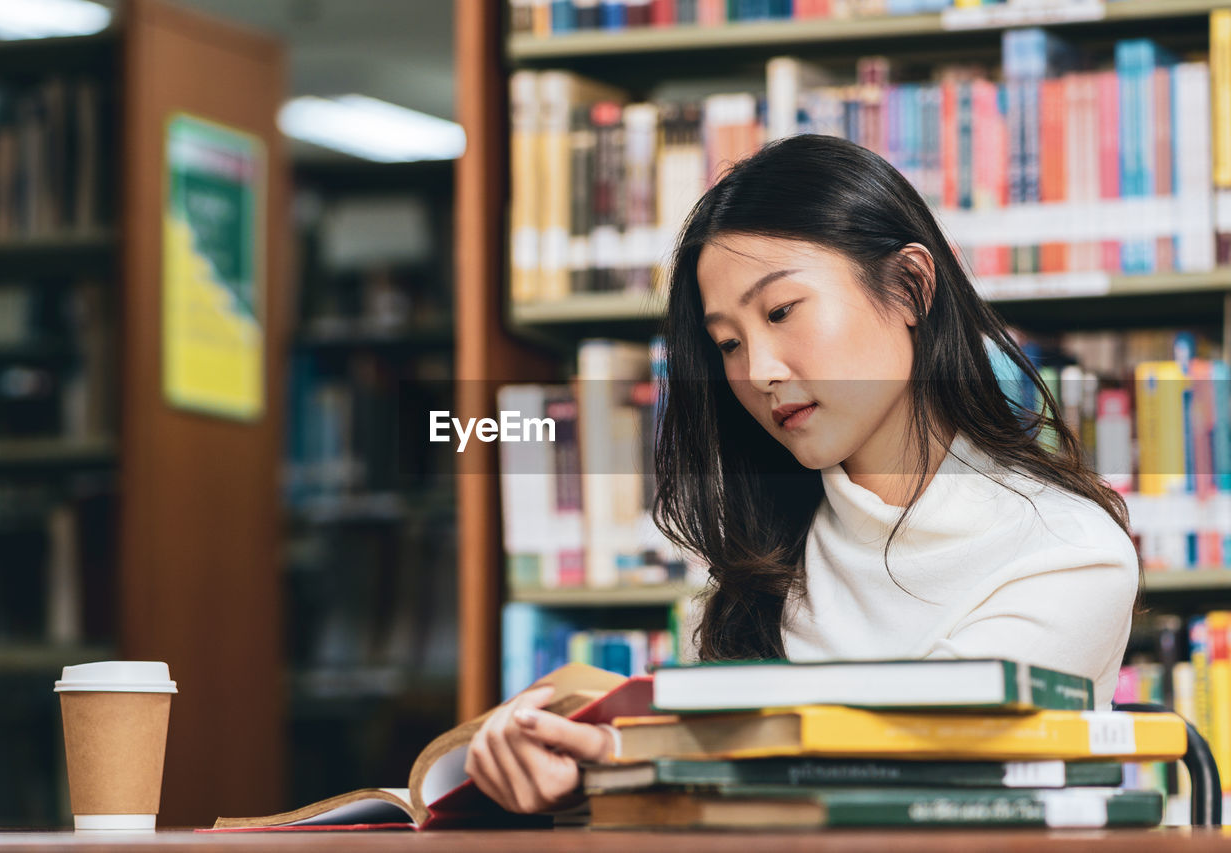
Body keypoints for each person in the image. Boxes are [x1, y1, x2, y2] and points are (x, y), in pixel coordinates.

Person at [464, 133, 1140, 815]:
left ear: (909, 286)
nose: (758, 370)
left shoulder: (1068, 551)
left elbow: (909, 774)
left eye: (782, 311)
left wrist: (630, 760)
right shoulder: (766, 557)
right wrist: (555, 760)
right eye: (729, 343)